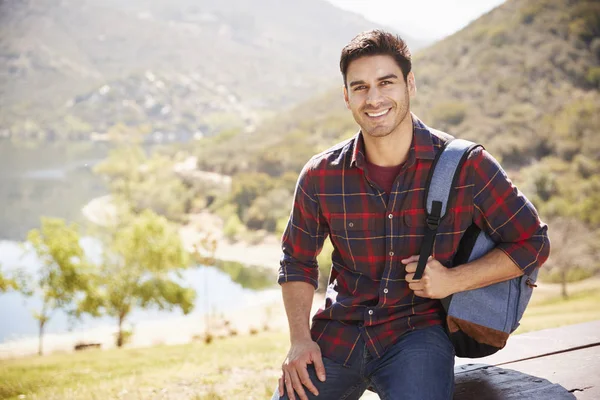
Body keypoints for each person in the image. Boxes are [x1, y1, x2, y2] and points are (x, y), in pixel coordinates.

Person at [271, 30, 550, 400]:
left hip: (417, 335)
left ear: (409, 85)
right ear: (346, 96)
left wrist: (453, 280)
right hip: (337, 335)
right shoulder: (321, 174)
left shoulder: (467, 166)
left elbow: (533, 241)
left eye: (386, 82)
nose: (374, 99)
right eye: (360, 87)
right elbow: (297, 260)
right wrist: (299, 340)